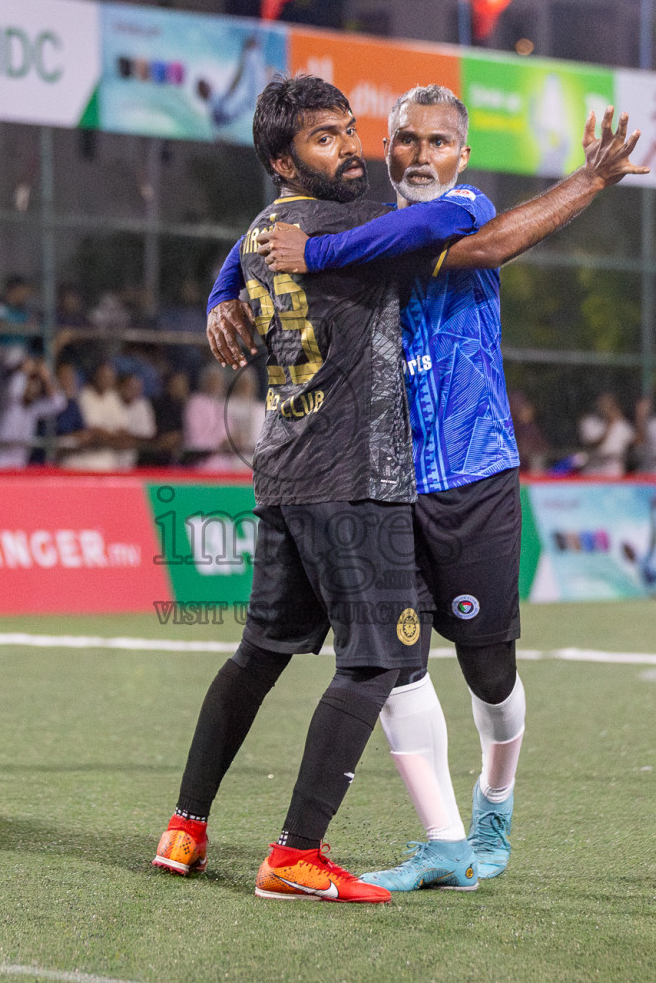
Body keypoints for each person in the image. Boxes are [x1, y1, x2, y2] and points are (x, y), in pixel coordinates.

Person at [233, 85, 645, 890]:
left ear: (461, 155)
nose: (420, 156)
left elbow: (487, 250)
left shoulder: (459, 209)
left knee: (490, 671)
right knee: (395, 666)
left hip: (474, 477)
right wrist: (223, 297)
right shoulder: (361, 222)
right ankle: (446, 842)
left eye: (438, 142)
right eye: (406, 141)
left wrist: (588, 182)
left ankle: (495, 802)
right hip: (384, 483)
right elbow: (256, 241)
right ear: (387, 152)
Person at [152, 76, 445, 904]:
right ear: (285, 161)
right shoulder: (351, 220)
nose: (352, 147)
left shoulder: (263, 229)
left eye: (350, 130)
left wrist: (217, 299)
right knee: (377, 659)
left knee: (259, 655)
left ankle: (186, 825)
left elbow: (231, 269)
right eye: (327, 139)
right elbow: (456, 217)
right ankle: (296, 853)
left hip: (285, 472)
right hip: (355, 476)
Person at [0, 358, 64, 468]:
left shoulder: (34, 409)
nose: (33, 388)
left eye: (36, 386)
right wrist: (24, 370)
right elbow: (14, 389)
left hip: (18, 464)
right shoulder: (8, 402)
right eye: (29, 384)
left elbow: (59, 403)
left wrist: (46, 378)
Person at [63, 361, 128, 471]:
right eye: (103, 376)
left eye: (110, 377)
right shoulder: (85, 395)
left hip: (107, 454)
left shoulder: (113, 397)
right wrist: (113, 438)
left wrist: (115, 438)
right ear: (95, 376)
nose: (106, 380)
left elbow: (123, 428)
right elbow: (93, 430)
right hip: (85, 455)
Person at [578, 392, 636, 478]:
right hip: (593, 469)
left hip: (613, 469)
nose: (605, 407)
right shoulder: (588, 421)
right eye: (602, 403)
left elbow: (636, 441)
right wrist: (609, 425)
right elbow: (592, 444)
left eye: (608, 404)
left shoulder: (621, 423)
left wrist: (640, 417)